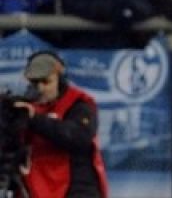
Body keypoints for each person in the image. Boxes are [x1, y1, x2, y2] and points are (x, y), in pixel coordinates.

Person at [13, 51, 108, 198]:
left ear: (60, 79)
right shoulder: (26, 107)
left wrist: (35, 119)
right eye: (35, 83)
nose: (41, 88)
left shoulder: (79, 104)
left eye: (46, 82)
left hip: (77, 188)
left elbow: (79, 137)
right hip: (37, 186)